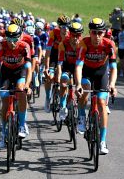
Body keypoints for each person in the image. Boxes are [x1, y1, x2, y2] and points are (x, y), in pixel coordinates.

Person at [75, 18, 117, 155]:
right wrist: (78, 84)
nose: (97, 36)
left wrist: (112, 84)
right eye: (94, 32)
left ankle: (103, 141)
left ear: (104, 33)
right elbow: (79, 66)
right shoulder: (84, 43)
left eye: (100, 32)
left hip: (101, 74)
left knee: (101, 103)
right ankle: (81, 116)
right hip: (87, 72)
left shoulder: (109, 44)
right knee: (85, 87)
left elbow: (113, 67)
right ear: (90, 32)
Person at [0, 24, 33, 148]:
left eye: (15, 39)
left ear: (20, 37)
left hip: (20, 71)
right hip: (6, 73)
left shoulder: (24, 46)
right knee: (4, 98)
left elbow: (29, 69)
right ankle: (3, 132)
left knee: (21, 91)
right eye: (10, 40)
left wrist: (27, 85)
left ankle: (21, 124)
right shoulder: (1, 46)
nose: (12, 43)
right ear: (6, 38)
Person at [55, 22, 84, 121]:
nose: (75, 38)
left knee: (82, 88)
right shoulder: (63, 44)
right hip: (67, 66)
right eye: (73, 35)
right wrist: (59, 80)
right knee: (63, 80)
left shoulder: (83, 44)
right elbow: (59, 63)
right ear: (69, 34)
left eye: (78, 35)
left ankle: (80, 110)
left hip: (79, 67)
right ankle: (63, 106)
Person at [44, 15, 70, 112]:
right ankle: (47, 98)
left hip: (66, 56)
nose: (66, 29)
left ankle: (65, 103)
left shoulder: (71, 35)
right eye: (63, 27)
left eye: (68, 26)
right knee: (49, 77)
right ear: (59, 27)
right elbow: (48, 52)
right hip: (54, 56)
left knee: (66, 79)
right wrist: (47, 67)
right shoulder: (53, 33)